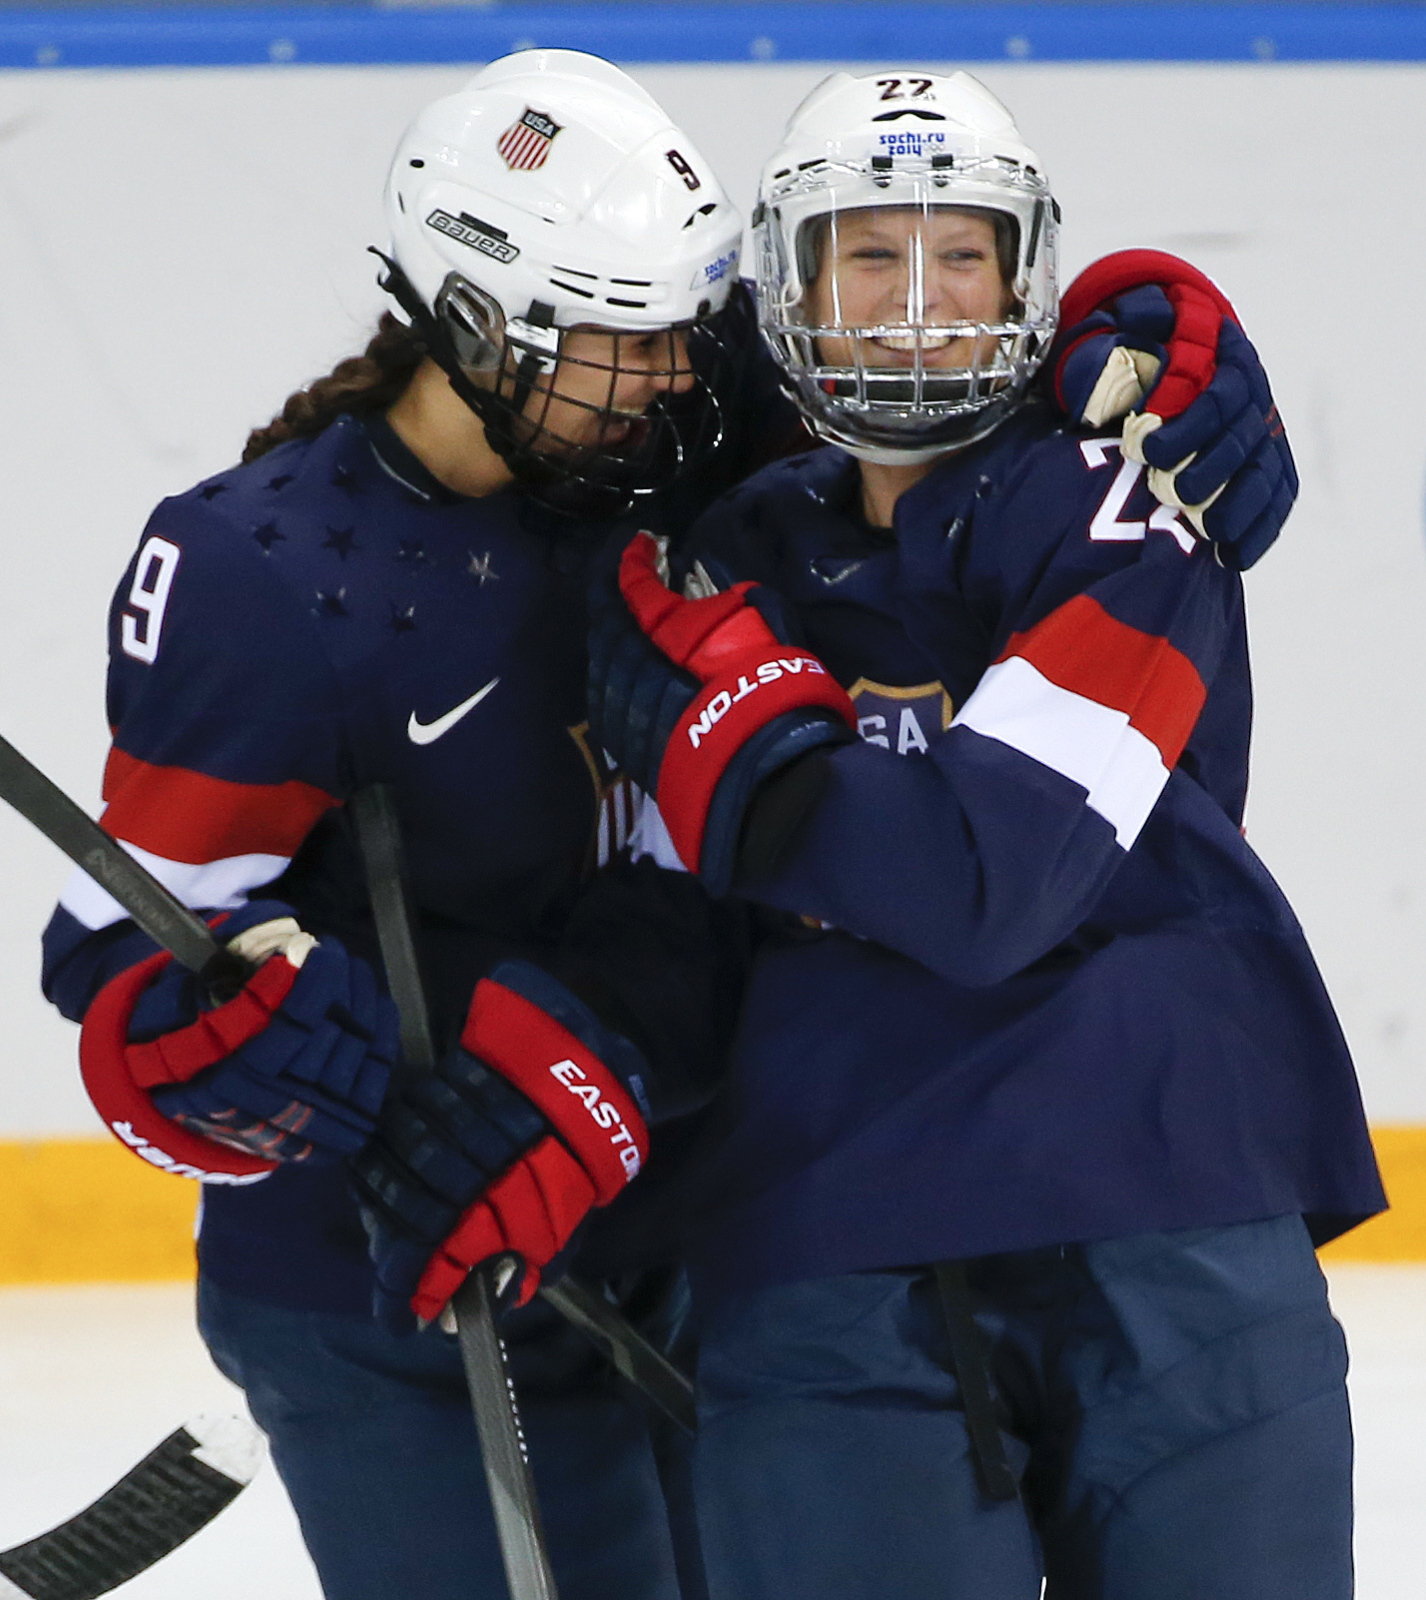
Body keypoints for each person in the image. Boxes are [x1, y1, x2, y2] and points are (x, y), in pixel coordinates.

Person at [40, 50, 1297, 1600]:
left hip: (679, 1222)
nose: (669, 374)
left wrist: (1158, 338)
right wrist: (241, 1061)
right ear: (478, 326)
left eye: (684, 329)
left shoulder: (689, 436)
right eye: (621, 338)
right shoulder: (269, 572)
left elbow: (940, 338)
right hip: (403, 1275)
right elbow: (128, 946)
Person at [574, 70, 1385, 1599]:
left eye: (962, 256)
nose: (915, 302)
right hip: (828, 1248)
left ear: (1026, 284)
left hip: (1169, 1217)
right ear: (789, 283)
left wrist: (758, 758)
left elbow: (987, 881)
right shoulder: (718, 550)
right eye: (870, 255)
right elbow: (667, 930)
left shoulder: (1124, 499)